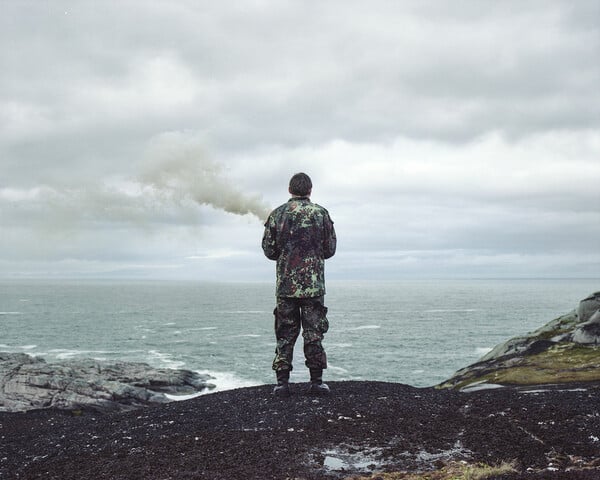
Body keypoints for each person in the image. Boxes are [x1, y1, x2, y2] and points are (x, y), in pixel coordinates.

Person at [262, 172, 337, 397]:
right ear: (310, 190)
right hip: (313, 286)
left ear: (289, 190)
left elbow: (269, 250)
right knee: (313, 333)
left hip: (286, 286)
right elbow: (330, 249)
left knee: (285, 334)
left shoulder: (277, 214)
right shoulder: (321, 214)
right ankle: (316, 382)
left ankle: (282, 384)